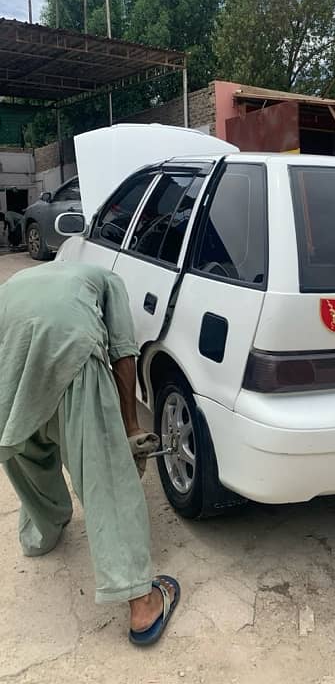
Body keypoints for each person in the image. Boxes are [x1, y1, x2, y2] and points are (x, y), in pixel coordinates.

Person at [0, 261, 180, 646]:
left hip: (10, 356)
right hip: (71, 348)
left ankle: (43, 532)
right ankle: (142, 603)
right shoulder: (108, 279)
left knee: (27, 451)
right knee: (106, 478)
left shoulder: (22, 277)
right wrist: (128, 428)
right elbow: (124, 352)